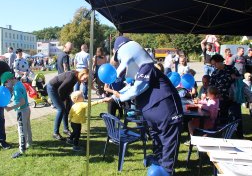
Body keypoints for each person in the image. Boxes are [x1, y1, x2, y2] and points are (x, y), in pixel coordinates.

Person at [104, 36, 183, 175]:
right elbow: (131, 87)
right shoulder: (141, 71)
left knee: (168, 140)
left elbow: (138, 88)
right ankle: (159, 162)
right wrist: (114, 96)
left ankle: (166, 171)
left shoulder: (147, 67)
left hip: (167, 111)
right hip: (154, 114)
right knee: (158, 139)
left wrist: (121, 97)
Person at [46, 69, 89, 140]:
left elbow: (68, 87)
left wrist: (67, 97)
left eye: (86, 79)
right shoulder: (72, 76)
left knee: (66, 109)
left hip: (60, 90)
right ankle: (55, 133)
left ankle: (66, 129)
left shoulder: (76, 77)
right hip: (52, 88)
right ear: (82, 74)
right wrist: (63, 100)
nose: (85, 80)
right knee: (61, 109)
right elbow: (60, 89)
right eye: (85, 78)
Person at [210, 54, 243, 138]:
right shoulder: (215, 73)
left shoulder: (231, 68)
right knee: (223, 117)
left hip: (233, 97)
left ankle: (239, 135)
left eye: (215, 64)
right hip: (221, 99)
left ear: (220, 61)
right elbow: (211, 86)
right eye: (213, 65)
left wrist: (235, 77)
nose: (214, 66)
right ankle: (224, 135)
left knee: (236, 116)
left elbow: (240, 78)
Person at [1, 71, 32, 158]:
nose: (5, 86)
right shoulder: (19, 84)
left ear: (9, 80)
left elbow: (21, 102)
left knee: (21, 130)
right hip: (26, 109)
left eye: (5, 84)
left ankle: (22, 150)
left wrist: (10, 108)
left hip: (22, 111)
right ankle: (29, 143)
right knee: (27, 127)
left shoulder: (16, 88)